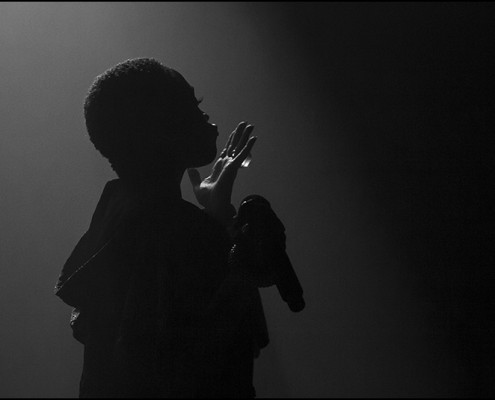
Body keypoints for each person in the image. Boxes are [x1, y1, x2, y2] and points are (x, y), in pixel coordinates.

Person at [54, 58, 269, 398]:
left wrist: (216, 216)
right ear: (156, 127)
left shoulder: (117, 216)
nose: (205, 118)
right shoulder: (174, 227)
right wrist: (240, 254)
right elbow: (200, 359)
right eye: (190, 105)